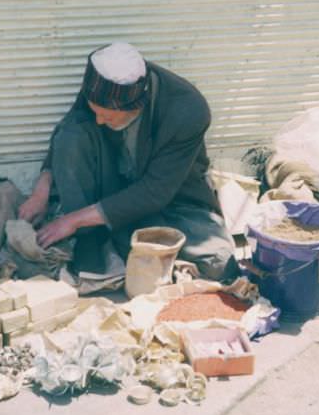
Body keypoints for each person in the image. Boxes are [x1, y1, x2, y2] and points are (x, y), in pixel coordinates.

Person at [17, 42, 238, 280]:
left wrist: (72, 220)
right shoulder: (101, 83)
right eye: (96, 112)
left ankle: (105, 231)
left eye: (108, 116)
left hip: (172, 199)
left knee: (218, 263)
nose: (99, 121)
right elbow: (67, 130)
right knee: (72, 136)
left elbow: (155, 192)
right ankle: (90, 236)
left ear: (136, 106)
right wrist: (41, 192)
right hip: (111, 188)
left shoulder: (188, 109)